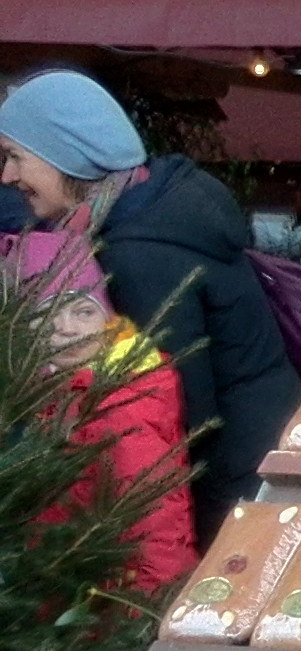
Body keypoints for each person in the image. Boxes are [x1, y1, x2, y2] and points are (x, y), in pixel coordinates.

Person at [0, 70, 301, 539]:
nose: (7, 176)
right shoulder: (159, 202)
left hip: (232, 492)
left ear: (66, 155)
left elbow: (177, 410)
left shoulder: (138, 254)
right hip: (264, 454)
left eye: (16, 156)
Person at [6, 223, 195, 592]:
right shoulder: (58, 390)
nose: (67, 329)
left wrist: (147, 609)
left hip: (116, 602)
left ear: (107, 320)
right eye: (48, 314)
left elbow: (153, 524)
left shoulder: (118, 405)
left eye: (83, 312)